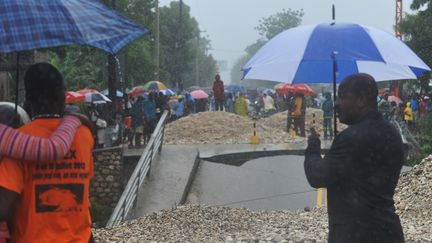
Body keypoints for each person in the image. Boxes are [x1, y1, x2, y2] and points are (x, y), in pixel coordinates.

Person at [0, 62, 94, 242]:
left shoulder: (18, 144)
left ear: (28, 99)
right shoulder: (84, 134)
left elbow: (4, 207)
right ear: (62, 97)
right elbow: (84, 193)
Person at [304, 73, 404, 243]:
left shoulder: (351, 138)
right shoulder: (392, 133)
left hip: (356, 234)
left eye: (342, 97)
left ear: (361, 100)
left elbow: (317, 176)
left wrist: (313, 147)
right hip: (388, 231)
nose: (336, 104)